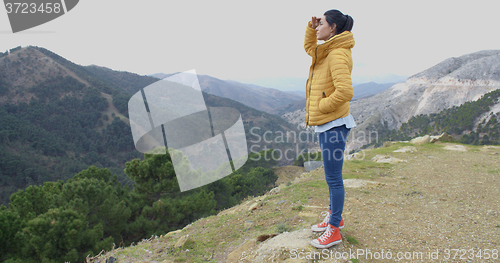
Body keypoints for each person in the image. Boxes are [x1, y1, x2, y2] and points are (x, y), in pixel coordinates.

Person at [304, 9, 356, 249]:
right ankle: (336, 217)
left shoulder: (336, 54)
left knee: (334, 179)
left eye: (322, 23)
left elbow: (345, 92)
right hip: (329, 124)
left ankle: (334, 229)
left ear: (333, 27)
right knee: (331, 177)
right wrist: (310, 27)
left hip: (333, 124)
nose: (318, 26)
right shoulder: (328, 51)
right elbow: (310, 49)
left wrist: (322, 104)